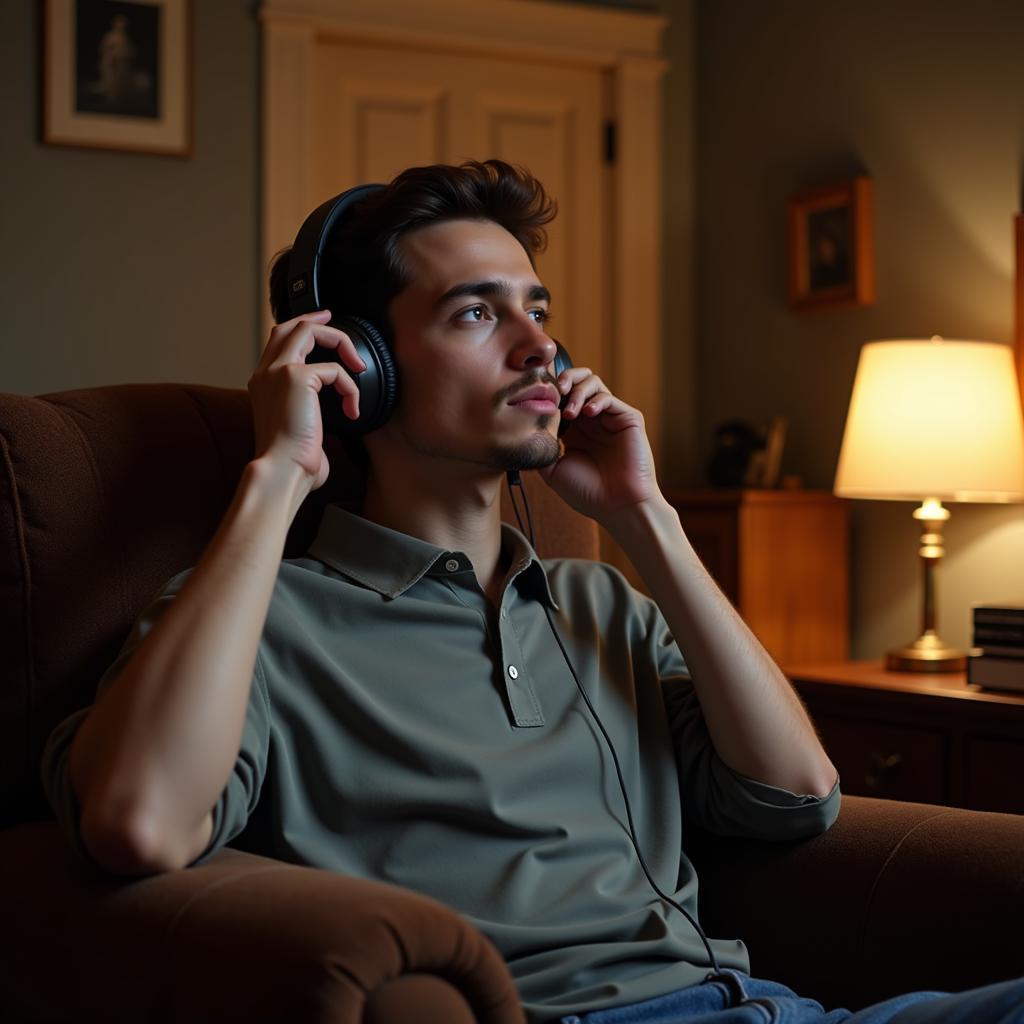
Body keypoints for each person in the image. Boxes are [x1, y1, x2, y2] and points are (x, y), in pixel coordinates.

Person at [42, 161, 1023, 1024]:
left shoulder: (605, 606)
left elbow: (797, 795)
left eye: (537, 309)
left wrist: (648, 519)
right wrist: (278, 471)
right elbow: (140, 822)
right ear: (359, 365)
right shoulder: (258, 615)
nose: (537, 348)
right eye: (476, 312)